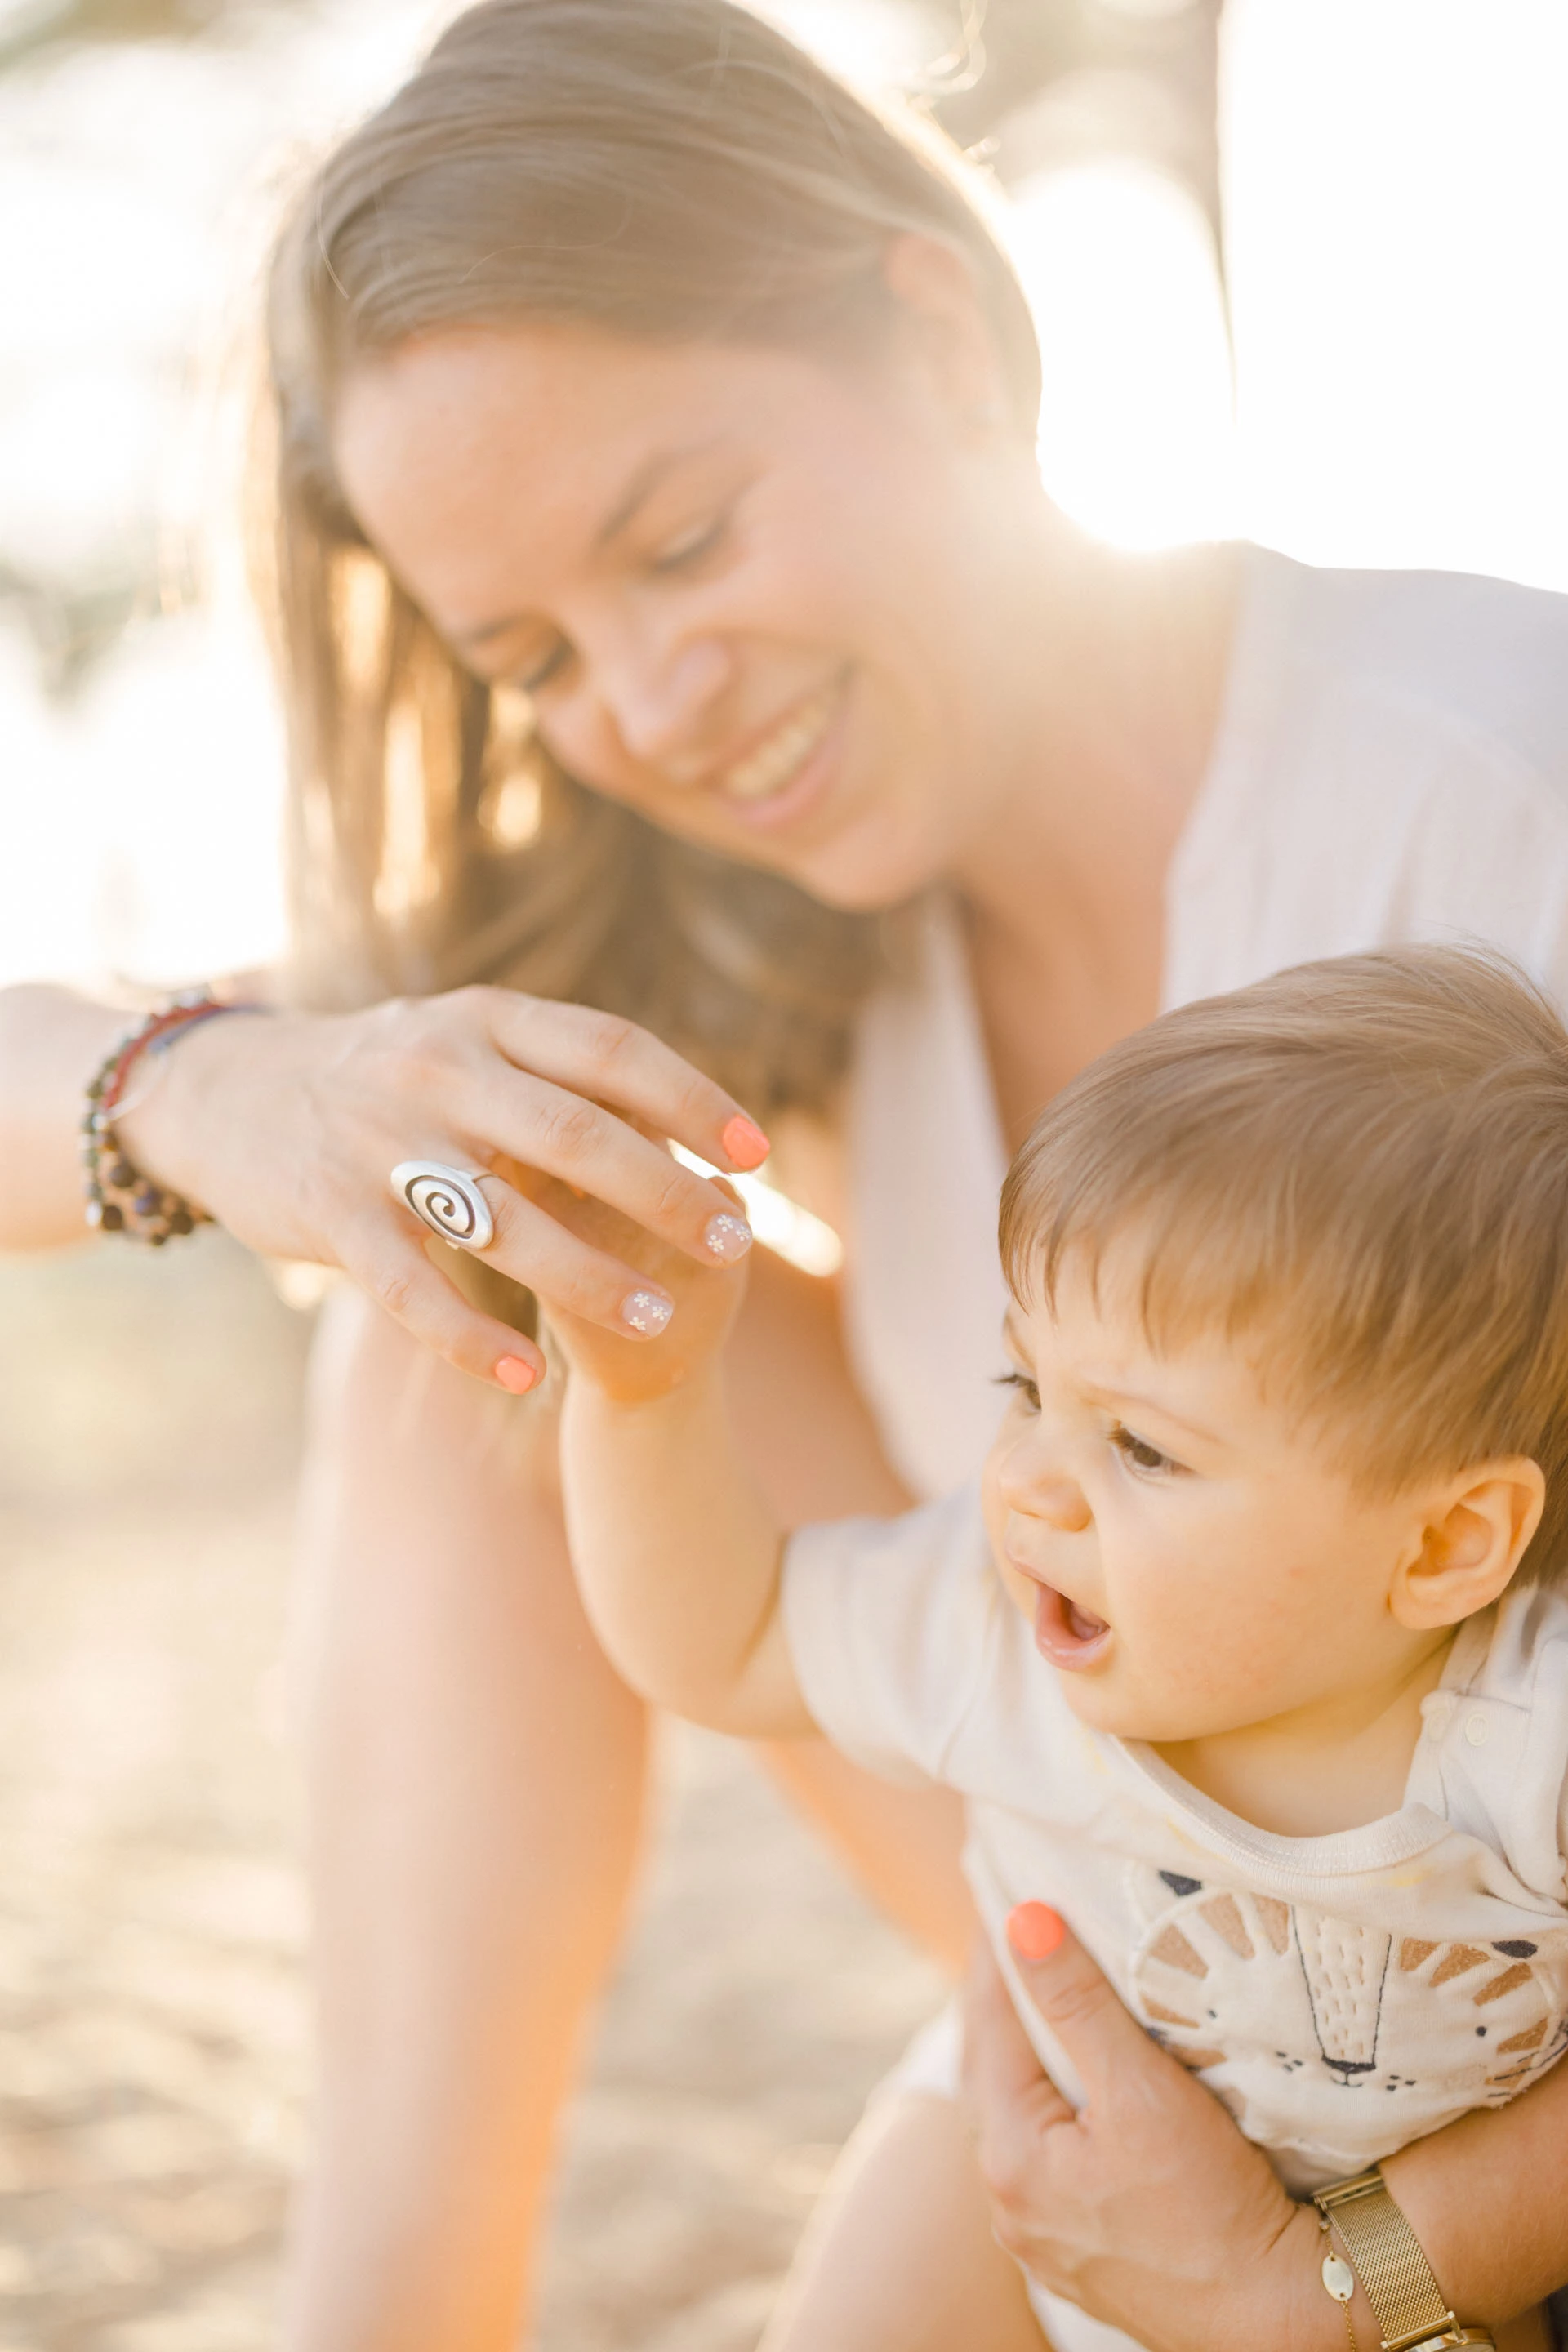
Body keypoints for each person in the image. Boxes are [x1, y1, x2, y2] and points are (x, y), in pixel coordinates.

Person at [2, 2, 1568, 2343]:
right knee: (494, 1270)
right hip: (1165, 1997)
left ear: (934, 335)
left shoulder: (1495, 799)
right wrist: (225, 1093)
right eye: (533, 657)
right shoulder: (767, 929)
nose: (646, 709)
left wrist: (1343, 2280)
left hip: (1485, 2114)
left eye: (685, 539)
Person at [546, 943, 1568, 2352]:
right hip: (1014, 2175)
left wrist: (1372, 2288)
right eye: (1026, 1384)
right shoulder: (988, 1626)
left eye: (1141, 1446)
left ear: (1444, 1544)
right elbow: (724, 1643)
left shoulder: (1532, 1728)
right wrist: (642, 1395)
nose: (1027, 1479)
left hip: (1406, 2284)